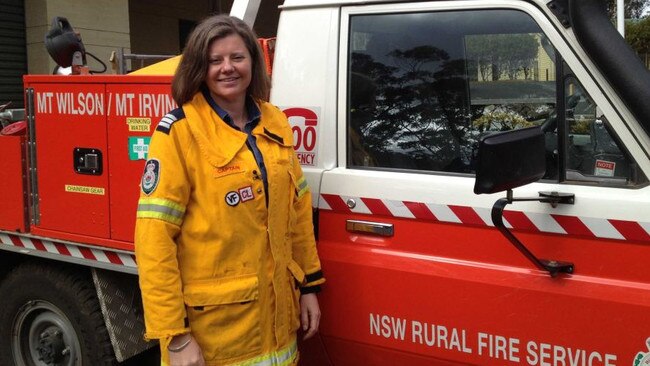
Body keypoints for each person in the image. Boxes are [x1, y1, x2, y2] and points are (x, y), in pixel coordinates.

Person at [134, 15, 324, 366]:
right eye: (214, 60)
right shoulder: (178, 133)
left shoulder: (276, 121)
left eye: (237, 57)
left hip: (280, 326)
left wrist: (309, 286)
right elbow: (154, 241)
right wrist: (175, 338)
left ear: (253, 60)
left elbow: (297, 213)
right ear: (198, 68)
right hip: (214, 339)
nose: (227, 68)